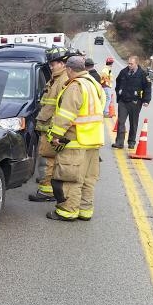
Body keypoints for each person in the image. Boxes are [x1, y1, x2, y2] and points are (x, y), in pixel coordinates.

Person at [46, 55, 105, 221]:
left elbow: (65, 115)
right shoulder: (94, 84)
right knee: (88, 179)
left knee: (70, 178)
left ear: (70, 69)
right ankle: (85, 211)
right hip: (93, 140)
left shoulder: (75, 86)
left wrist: (56, 136)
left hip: (76, 140)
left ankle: (67, 211)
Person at [29, 46, 72, 202]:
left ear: (62, 63)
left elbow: (63, 108)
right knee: (47, 160)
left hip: (51, 129)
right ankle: (49, 189)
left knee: (48, 160)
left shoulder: (63, 80)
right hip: (46, 127)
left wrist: (55, 131)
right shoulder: (55, 78)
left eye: (53, 63)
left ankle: (47, 192)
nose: (51, 66)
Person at [113, 55, 152, 149]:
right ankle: (119, 142)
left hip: (135, 102)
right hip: (123, 101)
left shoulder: (142, 74)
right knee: (121, 122)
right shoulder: (123, 72)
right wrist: (119, 93)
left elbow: (147, 88)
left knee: (133, 123)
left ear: (136, 63)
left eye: (131, 64)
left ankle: (131, 142)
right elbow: (118, 83)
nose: (129, 65)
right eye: (128, 63)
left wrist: (146, 100)